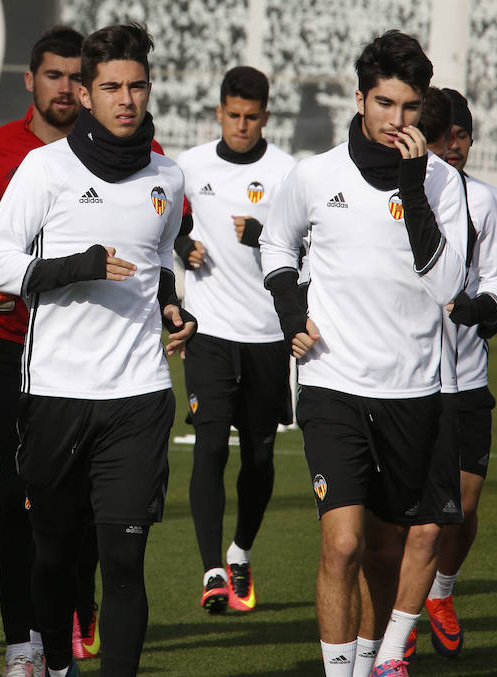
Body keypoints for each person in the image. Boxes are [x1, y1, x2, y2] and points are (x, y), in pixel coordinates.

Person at [0, 22, 193, 677]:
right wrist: (78, 266)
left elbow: (159, 256)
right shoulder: (45, 169)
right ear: (87, 92)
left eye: (136, 85)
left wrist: (172, 302)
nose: (126, 99)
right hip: (54, 394)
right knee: (54, 554)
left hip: (138, 394)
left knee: (125, 559)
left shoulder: (169, 174)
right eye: (111, 87)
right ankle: (57, 664)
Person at [260, 30, 468, 677]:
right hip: (333, 383)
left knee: (393, 547)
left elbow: (446, 286)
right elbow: (274, 243)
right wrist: (291, 311)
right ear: (359, 98)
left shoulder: (441, 184)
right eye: (383, 103)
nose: (396, 120)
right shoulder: (314, 175)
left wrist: (412, 186)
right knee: (343, 543)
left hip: (415, 389)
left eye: (409, 108)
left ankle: (385, 657)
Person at [0, 25, 88, 677]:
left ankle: (63, 627)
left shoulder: (115, 153)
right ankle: (24, 647)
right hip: (4, 349)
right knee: (20, 492)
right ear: (29, 80)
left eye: (76, 76)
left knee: (75, 507)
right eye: (54, 74)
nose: (65, 87)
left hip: (81, 357)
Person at [174, 65, 295, 614]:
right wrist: (182, 244)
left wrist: (265, 234)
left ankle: (241, 550)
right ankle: (212, 570)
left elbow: (310, 247)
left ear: (265, 117)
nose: (241, 126)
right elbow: (160, 224)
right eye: (233, 115)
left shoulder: (289, 174)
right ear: (219, 112)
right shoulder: (190, 166)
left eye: (251, 118)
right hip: (209, 330)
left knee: (261, 456)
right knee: (210, 446)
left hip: (268, 335)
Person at [401, 88, 497, 663]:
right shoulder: (397, 195)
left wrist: (488, 309)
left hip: (467, 379)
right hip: (404, 382)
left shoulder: (489, 202)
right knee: (408, 518)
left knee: (463, 511)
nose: (451, 147)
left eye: (461, 136)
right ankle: (402, 613)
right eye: (442, 135)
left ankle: (439, 594)